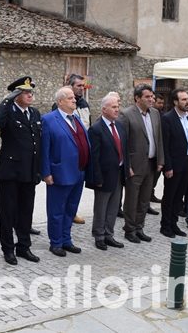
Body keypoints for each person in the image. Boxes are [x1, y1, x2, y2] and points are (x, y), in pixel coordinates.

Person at [0, 77, 42, 265]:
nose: (30, 95)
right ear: (16, 95)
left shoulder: (34, 113)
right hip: (11, 172)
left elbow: (38, 143)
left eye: (31, 92)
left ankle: (23, 246)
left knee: (25, 211)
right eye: (25, 92)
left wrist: (38, 170)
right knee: (8, 213)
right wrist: (7, 99)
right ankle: (8, 249)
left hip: (29, 172)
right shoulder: (8, 112)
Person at [40, 87, 89, 257]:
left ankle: (66, 240)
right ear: (60, 101)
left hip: (78, 172)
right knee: (56, 210)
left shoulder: (76, 118)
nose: (74, 100)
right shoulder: (48, 120)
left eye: (74, 98)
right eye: (70, 98)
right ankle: (56, 242)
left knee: (71, 209)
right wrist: (46, 173)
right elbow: (44, 149)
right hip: (59, 173)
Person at [117, 84, 163, 244]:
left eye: (152, 96)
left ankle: (139, 227)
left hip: (151, 163)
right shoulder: (126, 114)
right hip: (134, 165)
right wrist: (127, 165)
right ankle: (129, 229)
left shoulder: (155, 114)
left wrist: (160, 160)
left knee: (144, 199)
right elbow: (123, 142)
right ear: (137, 98)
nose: (151, 99)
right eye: (147, 97)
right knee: (132, 199)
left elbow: (159, 138)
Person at [87, 93, 128, 250]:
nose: (117, 110)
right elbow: (94, 157)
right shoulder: (96, 129)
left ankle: (109, 234)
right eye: (113, 107)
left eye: (118, 107)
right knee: (101, 207)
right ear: (104, 109)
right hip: (103, 176)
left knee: (113, 207)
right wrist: (96, 177)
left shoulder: (119, 126)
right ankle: (99, 236)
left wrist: (127, 168)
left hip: (118, 173)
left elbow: (124, 149)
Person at [51, 74, 91, 225]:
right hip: (66, 156)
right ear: (70, 86)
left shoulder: (84, 104)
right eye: (78, 86)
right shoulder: (59, 107)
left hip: (80, 156)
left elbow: (88, 126)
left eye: (83, 86)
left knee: (75, 194)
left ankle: (72, 214)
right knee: (61, 200)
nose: (81, 89)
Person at [160, 89, 188, 238]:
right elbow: (165, 144)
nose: (187, 102)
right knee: (169, 196)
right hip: (174, 164)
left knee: (179, 196)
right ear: (176, 102)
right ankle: (165, 225)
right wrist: (167, 166)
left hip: (187, 162)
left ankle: (174, 224)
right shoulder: (168, 118)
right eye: (183, 99)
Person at [150, 93, 166, 204]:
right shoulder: (152, 115)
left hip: (158, 152)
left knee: (155, 177)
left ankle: (151, 194)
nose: (161, 105)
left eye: (162, 103)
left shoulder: (161, 115)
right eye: (159, 103)